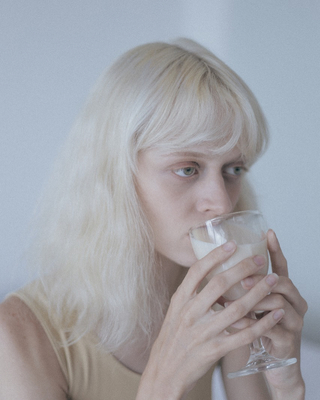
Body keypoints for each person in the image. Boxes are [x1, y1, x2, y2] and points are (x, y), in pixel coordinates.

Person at [0, 38, 307, 399]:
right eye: (188, 169)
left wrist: (288, 383)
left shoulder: (218, 292)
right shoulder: (20, 333)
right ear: (116, 176)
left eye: (233, 169)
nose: (222, 204)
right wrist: (164, 384)